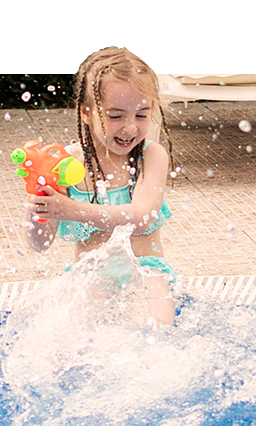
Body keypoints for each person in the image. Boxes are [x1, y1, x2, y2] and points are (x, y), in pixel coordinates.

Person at [24, 46, 177, 325]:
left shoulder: (151, 157)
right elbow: (40, 244)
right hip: (89, 274)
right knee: (60, 339)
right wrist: (37, 205)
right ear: (86, 112)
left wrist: (71, 210)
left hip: (145, 271)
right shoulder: (66, 163)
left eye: (141, 115)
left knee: (153, 332)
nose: (130, 128)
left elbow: (142, 218)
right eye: (116, 116)